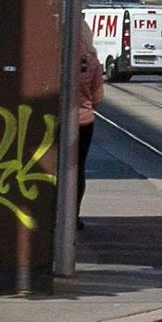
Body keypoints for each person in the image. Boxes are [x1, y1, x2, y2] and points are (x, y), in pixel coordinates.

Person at [68, 24, 104, 227]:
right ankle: (74, 214)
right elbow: (98, 96)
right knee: (78, 168)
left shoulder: (56, 55)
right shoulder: (92, 61)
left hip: (57, 119)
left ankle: (54, 210)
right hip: (83, 121)